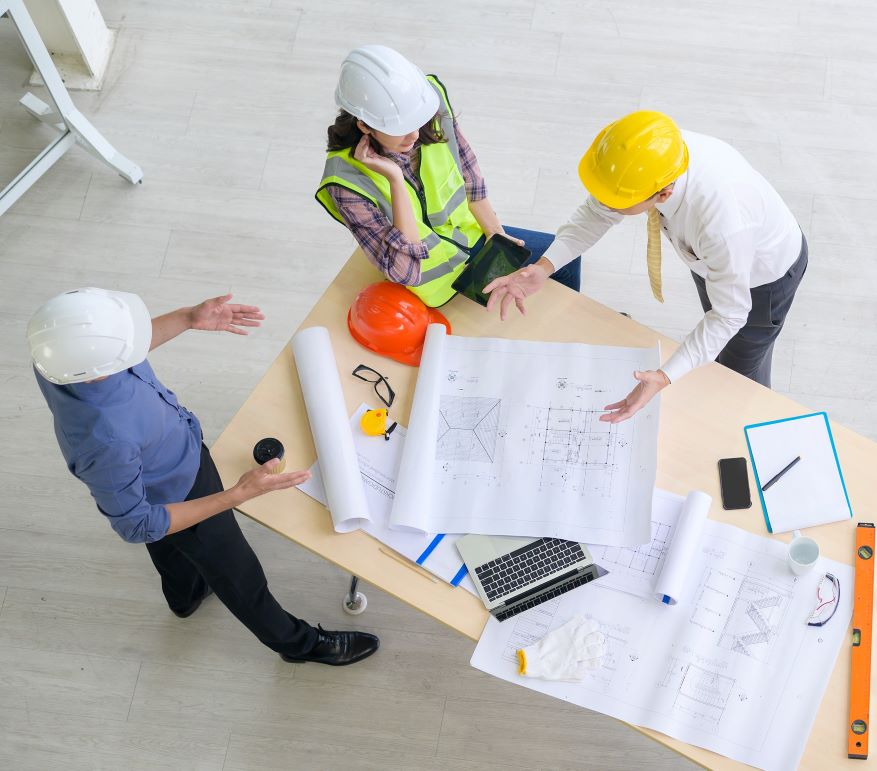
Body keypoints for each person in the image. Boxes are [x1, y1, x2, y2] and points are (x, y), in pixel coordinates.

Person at [27, 287, 380, 667]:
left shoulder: (59, 355)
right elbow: (137, 525)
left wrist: (187, 318)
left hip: (174, 460)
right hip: (180, 497)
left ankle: (186, 598)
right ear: (97, 369)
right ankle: (299, 645)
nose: (136, 341)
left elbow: (127, 346)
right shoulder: (105, 442)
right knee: (242, 578)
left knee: (170, 550)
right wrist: (237, 495)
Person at [484, 111, 807, 421]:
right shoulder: (650, 156)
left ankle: (742, 423)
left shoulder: (720, 225)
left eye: (616, 202)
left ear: (663, 194)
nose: (604, 205)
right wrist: (544, 266)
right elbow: (596, 213)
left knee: (739, 372)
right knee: (716, 343)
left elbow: (730, 314)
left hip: (763, 279)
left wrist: (665, 375)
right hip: (709, 260)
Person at [316, 44, 581, 308]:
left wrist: (497, 236)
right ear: (364, 124)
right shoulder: (345, 183)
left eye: (417, 121)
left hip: (476, 241)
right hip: (439, 287)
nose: (415, 134)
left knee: (566, 260)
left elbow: (469, 176)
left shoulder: (428, 102)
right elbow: (406, 270)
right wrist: (395, 179)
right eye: (401, 127)